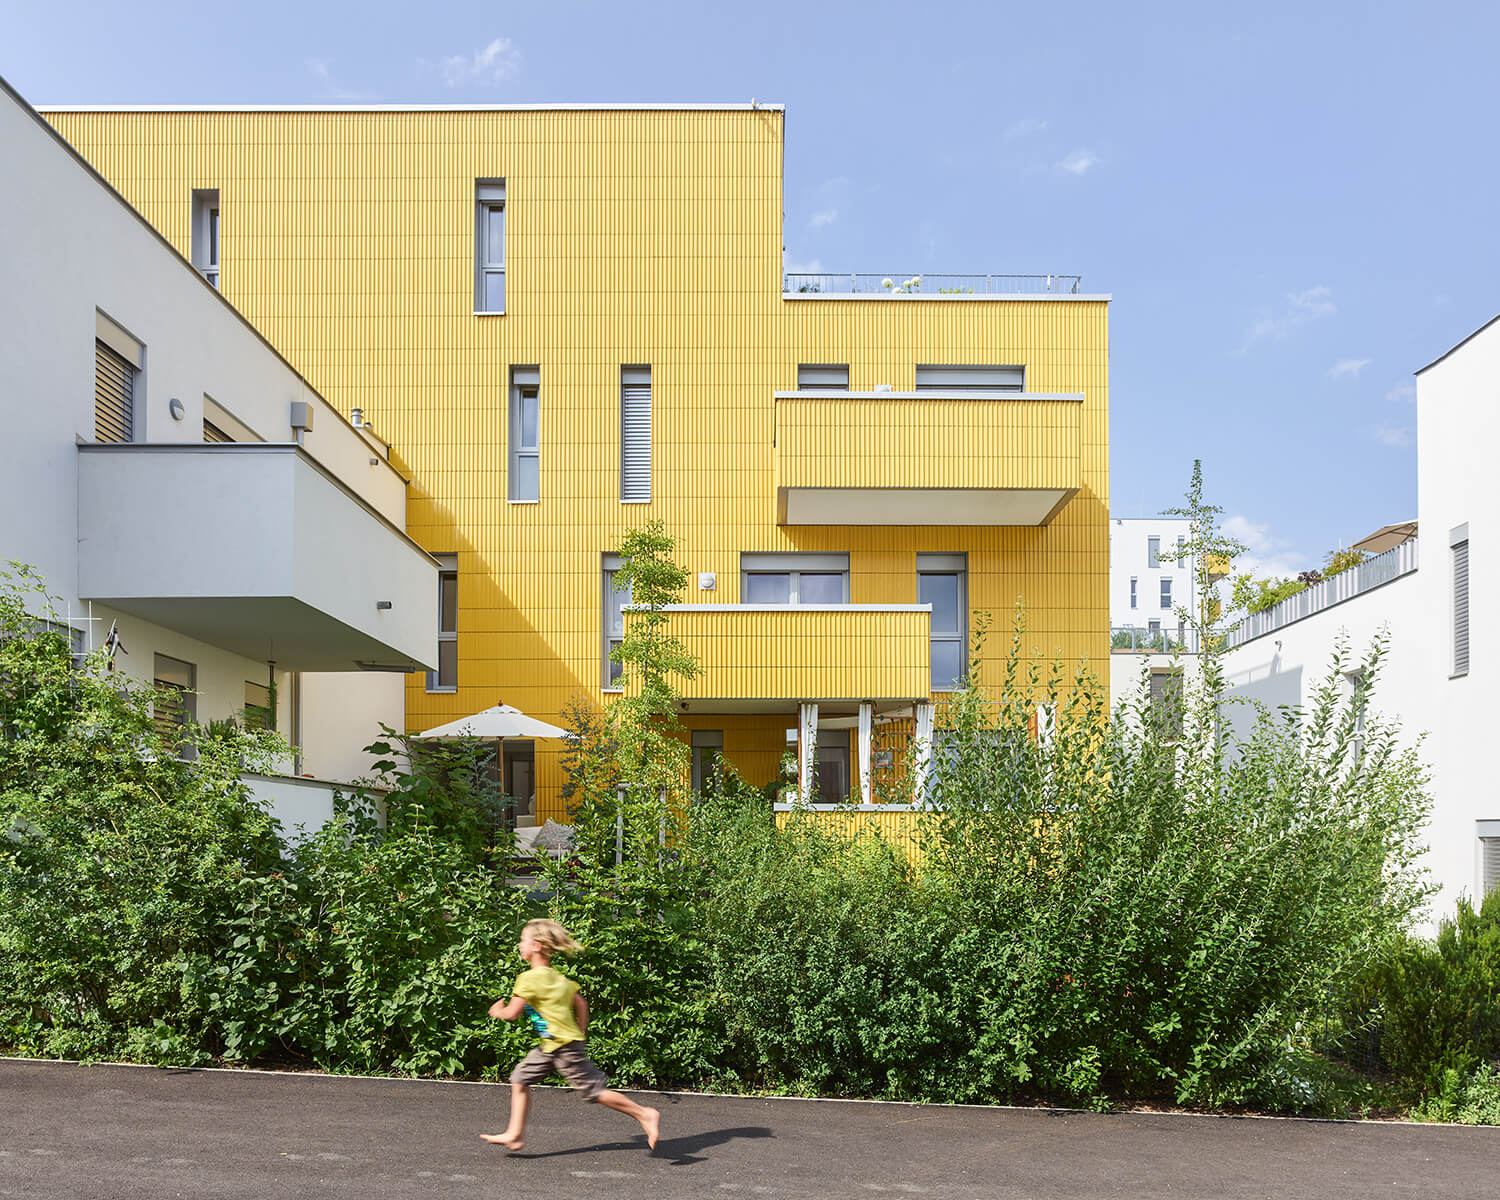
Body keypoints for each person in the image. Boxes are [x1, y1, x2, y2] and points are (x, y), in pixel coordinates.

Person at [481, 918, 661, 1152]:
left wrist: (497, 1011)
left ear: (536, 946)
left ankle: (644, 1113)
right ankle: (514, 1134)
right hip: (553, 1044)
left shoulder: (528, 979)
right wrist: (580, 1033)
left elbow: (513, 1013)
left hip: (562, 1046)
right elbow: (581, 1003)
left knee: (593, 1091)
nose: (519, 945)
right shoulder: (558, 978)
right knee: (520, 1078)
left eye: (522, 941)